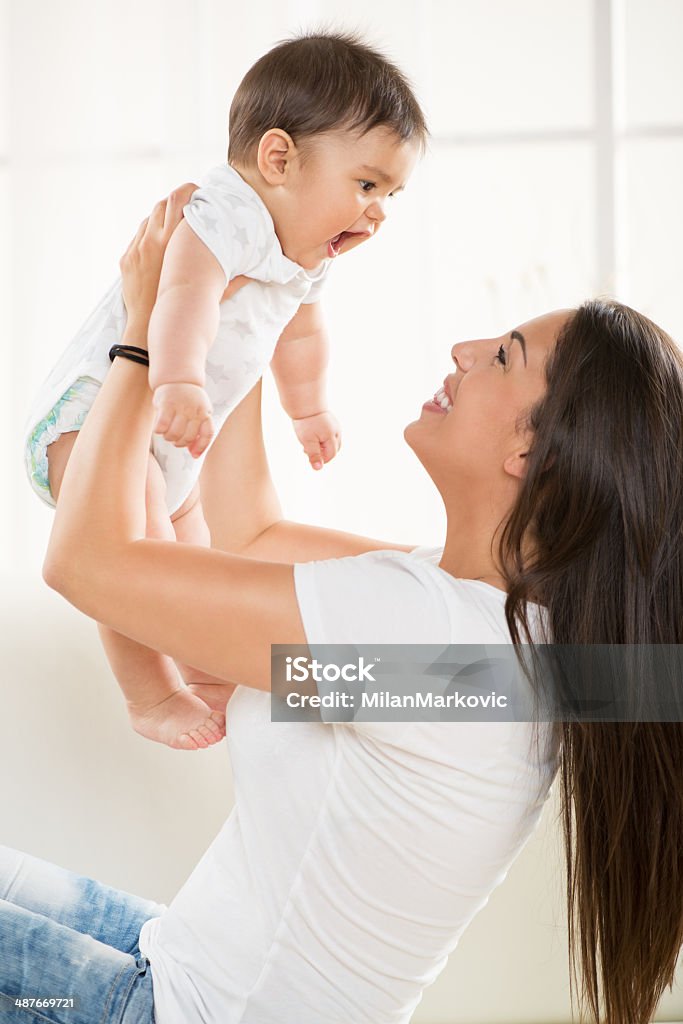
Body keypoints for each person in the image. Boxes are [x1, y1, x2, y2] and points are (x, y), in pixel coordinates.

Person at [3, 191, 682, 1024]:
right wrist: (257, 300)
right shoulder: (483, 635)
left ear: (529, 450)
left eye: (503, 357)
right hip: (182, 962)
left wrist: (142, 340)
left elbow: (85, 565)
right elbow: (250, 535)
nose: (464, 350)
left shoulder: (434, 636)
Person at [21, 30, 426, 751]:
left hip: (176, 425)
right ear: (277, 158)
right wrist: (176, 380)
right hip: (102, 415)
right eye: (366, 185)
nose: (377, 214)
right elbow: (179, 295)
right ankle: (150, 692)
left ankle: (201, 664)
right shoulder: (229, 214)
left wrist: (309, 409)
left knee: (191, 560)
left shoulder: (301, 251)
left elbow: (300, 339)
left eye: (389, 194)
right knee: (144, 548)